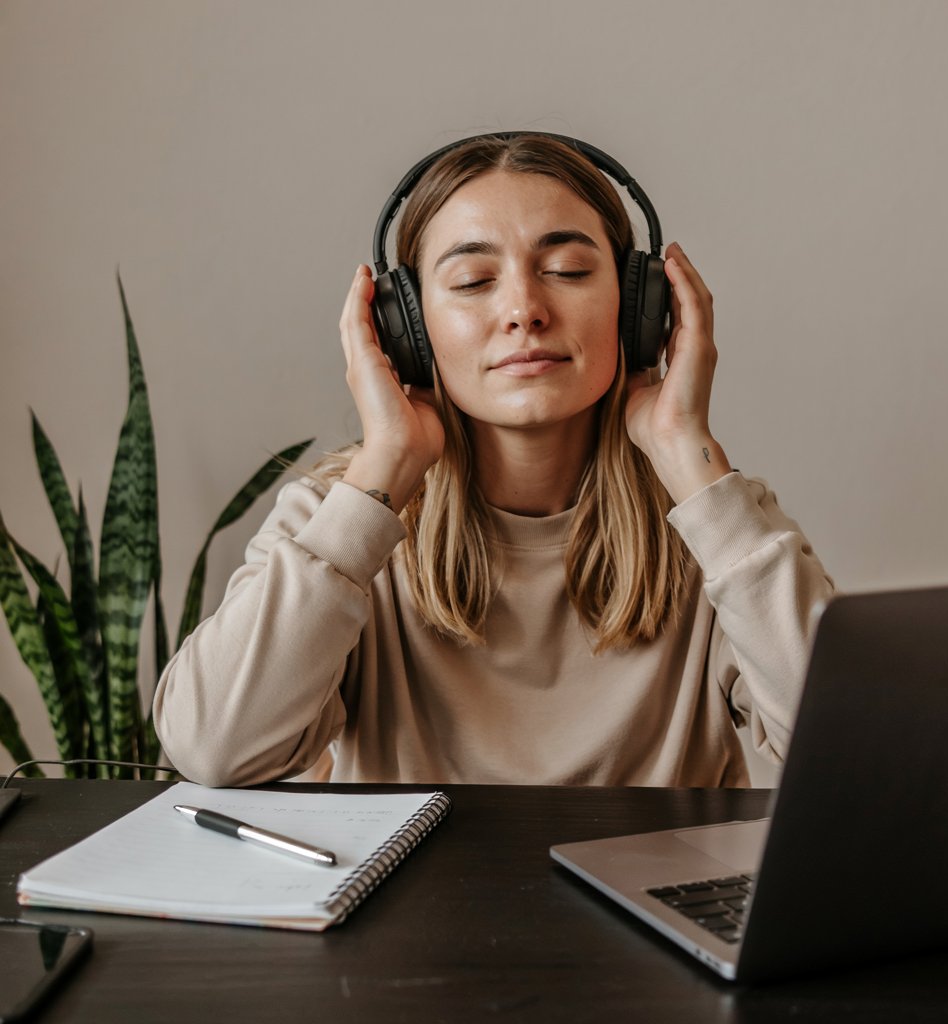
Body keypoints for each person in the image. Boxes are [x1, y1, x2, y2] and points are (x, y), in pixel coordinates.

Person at [153, 133, 835, 789]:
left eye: (567, 271)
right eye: (474, 280)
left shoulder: (711, 524)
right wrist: (384, 468)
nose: (523, 310)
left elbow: (850, 758)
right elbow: (214, 748)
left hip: (651, 909)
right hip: (414, 909)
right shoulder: (337, 520)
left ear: (640, 309)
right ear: (406, 330)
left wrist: (689, 456)